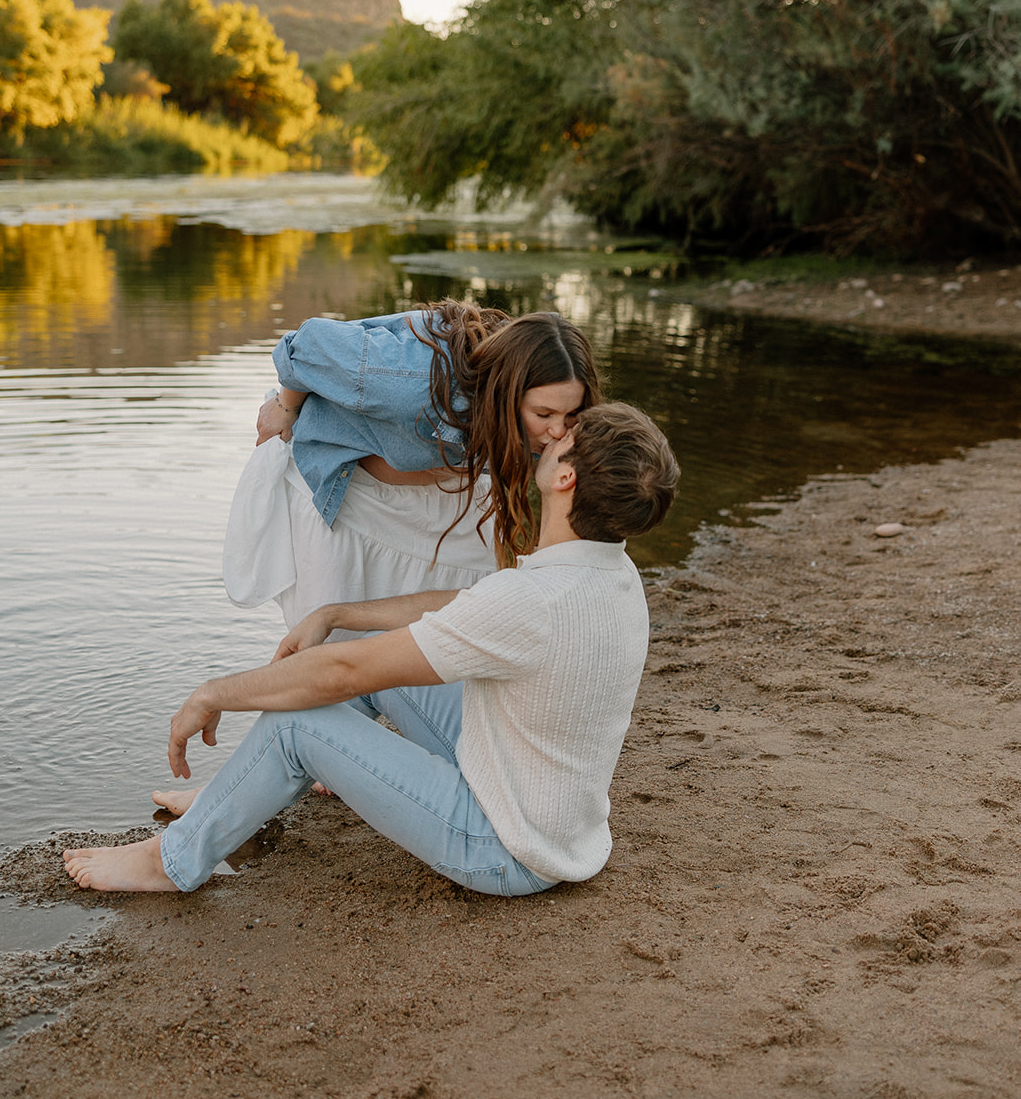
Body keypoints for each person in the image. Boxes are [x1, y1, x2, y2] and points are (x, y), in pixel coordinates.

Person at [64, 403, 680, 898]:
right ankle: (239, 793)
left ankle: (169, 863)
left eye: (564, 441)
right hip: (546, 813)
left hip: (502, 847)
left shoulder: (533, 602)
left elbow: (343, 672)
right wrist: (335, 613)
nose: (550, 437)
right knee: (370, 649)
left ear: (566, 478)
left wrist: (212, 693)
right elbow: (469, 601)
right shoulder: (611, 576)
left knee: (302, 721)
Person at [223, 301, 601, 634]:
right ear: (505, 394)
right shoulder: (409, 382)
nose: (557, 431)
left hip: (446, 495)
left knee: (472, 611)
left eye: (571, 414)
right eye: (544, 414)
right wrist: (285, 409)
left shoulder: (550, 424)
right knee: (334, 639)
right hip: (351, 499)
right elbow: (306, 345)